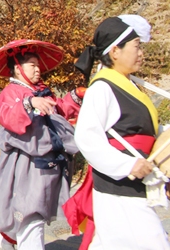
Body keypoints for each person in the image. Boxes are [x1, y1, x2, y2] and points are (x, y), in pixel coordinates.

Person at [64, 16, 170, 249]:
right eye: (136, 46)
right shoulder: (102, 87)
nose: (141, 53)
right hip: (120, 189)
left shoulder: (128, 83)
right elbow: (87, 138)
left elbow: (142, 130)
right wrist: (127, 165)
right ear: (115, 52)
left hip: (131, 187)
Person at [0, 40, 82, 250]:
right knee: (32, 212)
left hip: (48, 161)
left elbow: (59, 109)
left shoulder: (42, 91)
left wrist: (76, 96)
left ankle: (8, 238)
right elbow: (8, 116)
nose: (38, 69)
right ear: (18, 68)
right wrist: (29, 103)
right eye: (32, 65)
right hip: (26, 162)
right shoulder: (11, 92)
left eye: (38, 64)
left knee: (35, 210)